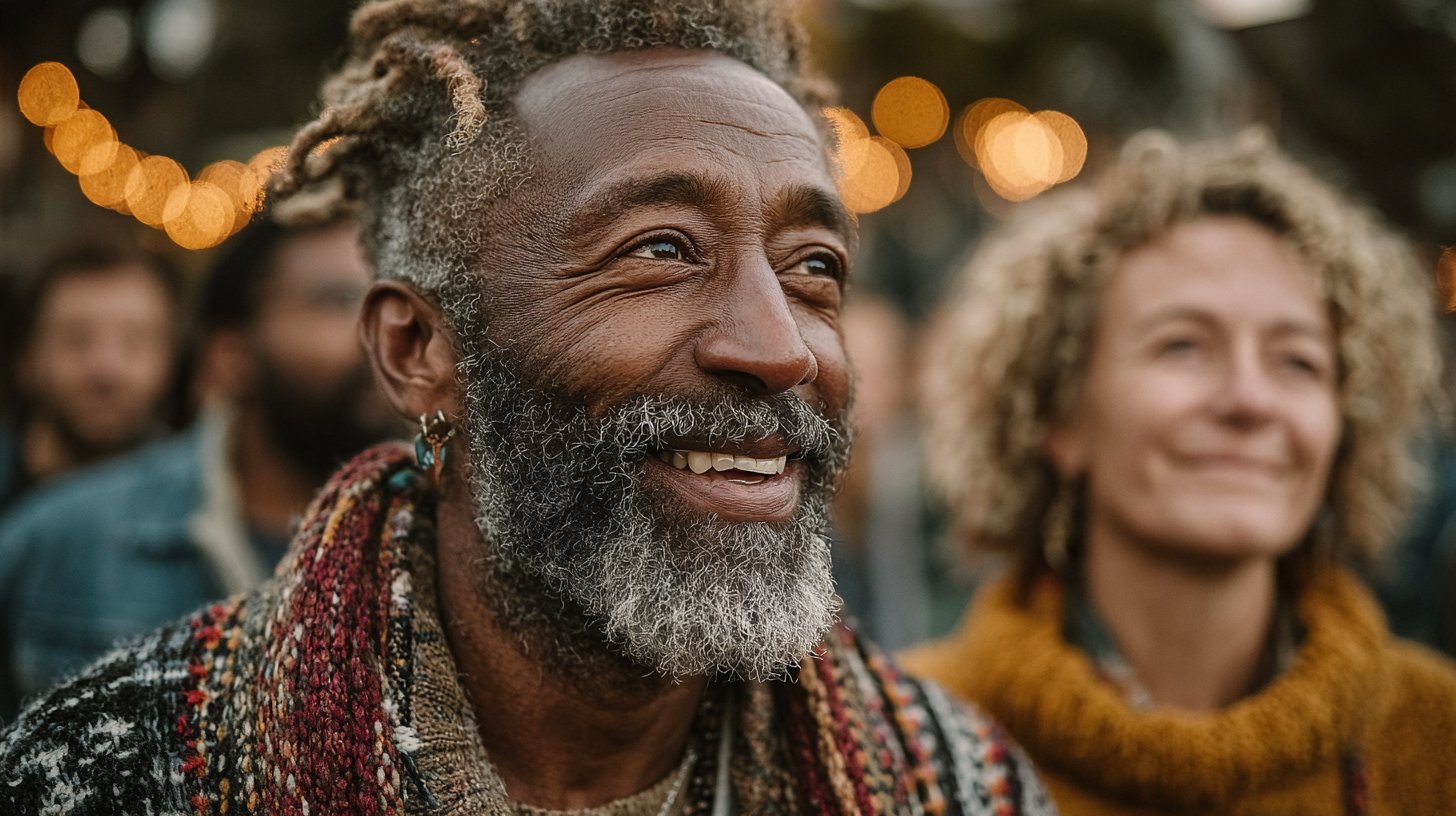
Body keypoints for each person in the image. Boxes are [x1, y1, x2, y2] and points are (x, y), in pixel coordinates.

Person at [0, 1, 1054, 813]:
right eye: (661, 249)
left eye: (812, 266)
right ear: (418, 348)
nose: (777, 347)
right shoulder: (124, 768)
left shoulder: (954, 783)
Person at [903, 130, 1456, 814]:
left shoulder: (1438, 738)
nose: (1250, 400)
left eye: (1298, 361)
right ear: (1059, 415)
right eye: (1184, 346)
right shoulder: (899, 745)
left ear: (1347, 425)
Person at [0, 215, 398, 718]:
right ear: (230, 357)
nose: (382, 334)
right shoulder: (54, 539)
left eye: (394, 303)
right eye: (337, 302)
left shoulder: (438, 549)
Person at [0, 224, 183, 512]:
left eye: (134, 342)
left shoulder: (195, 504)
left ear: (168, 360)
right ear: (27, 360)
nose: (105, 368)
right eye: (76, 340)